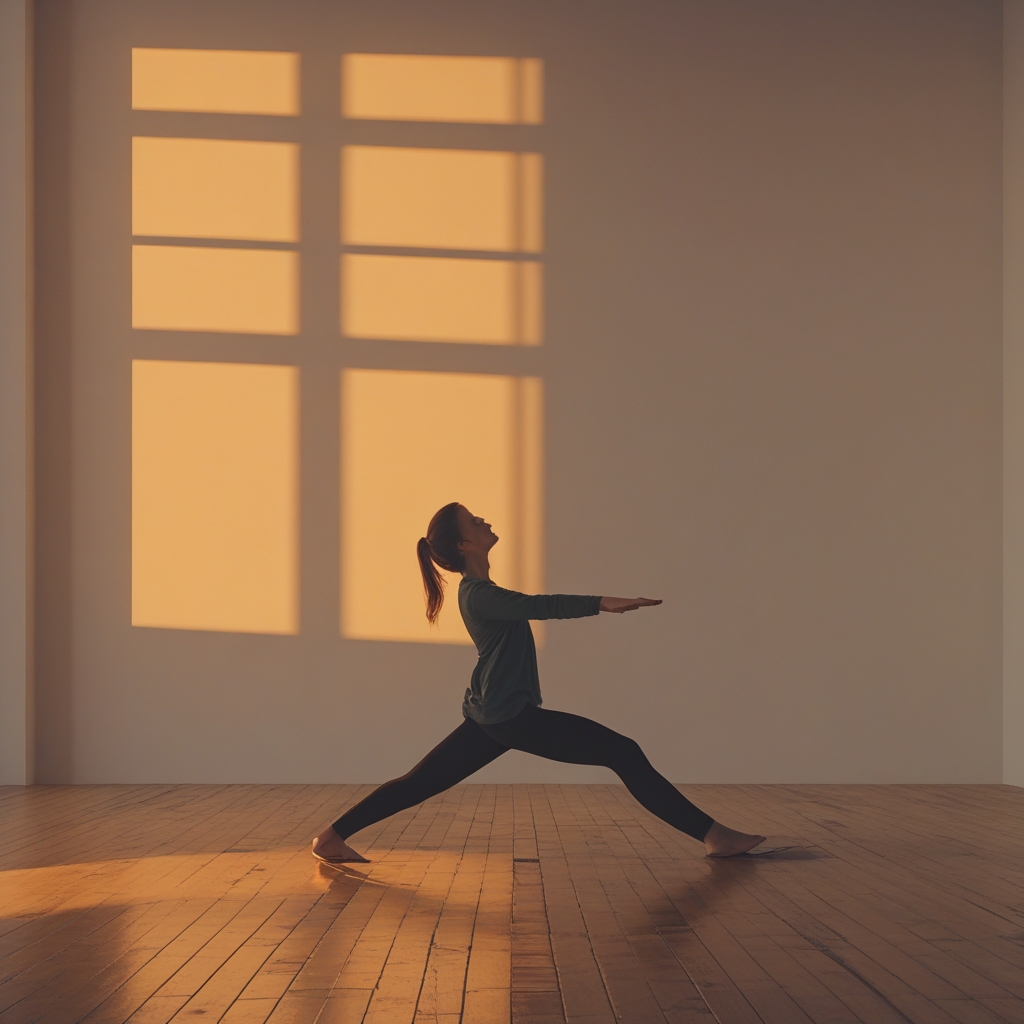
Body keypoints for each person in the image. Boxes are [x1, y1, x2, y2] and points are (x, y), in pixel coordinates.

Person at [313, 502, 765, 863]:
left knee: (419, 782)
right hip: (509, 717)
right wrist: (605, 603)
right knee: (621, 752)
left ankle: (330, 838)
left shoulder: (480, 591)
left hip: (492, 713)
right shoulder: (482, 595)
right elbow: (542, 605)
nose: (484, 519)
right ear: (465, 543)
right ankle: (714, 836)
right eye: (474, 520)